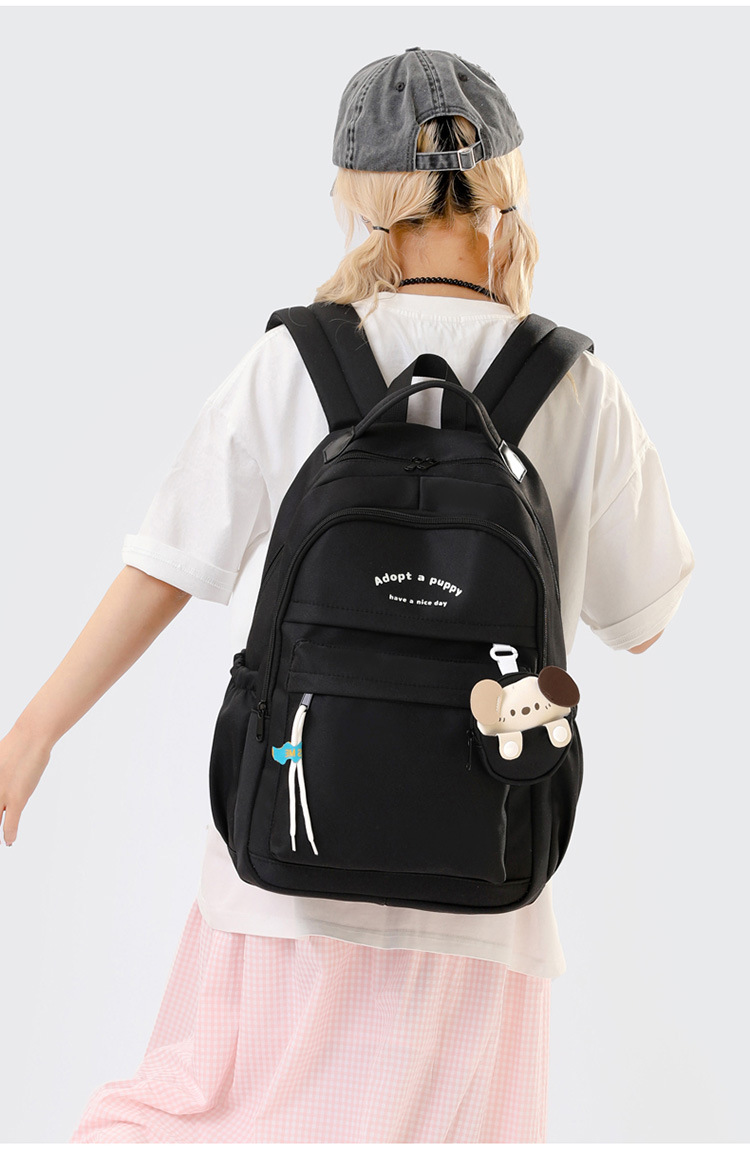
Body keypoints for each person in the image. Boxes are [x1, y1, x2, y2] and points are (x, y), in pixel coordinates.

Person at [0, 48, 694, 1144]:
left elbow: (166, 564)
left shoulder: (296, 362)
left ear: (361, 194)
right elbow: (643, 623)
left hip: (283, 874)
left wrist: (35, 728)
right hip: (486, 890)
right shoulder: (576, 385)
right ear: (505, 184)